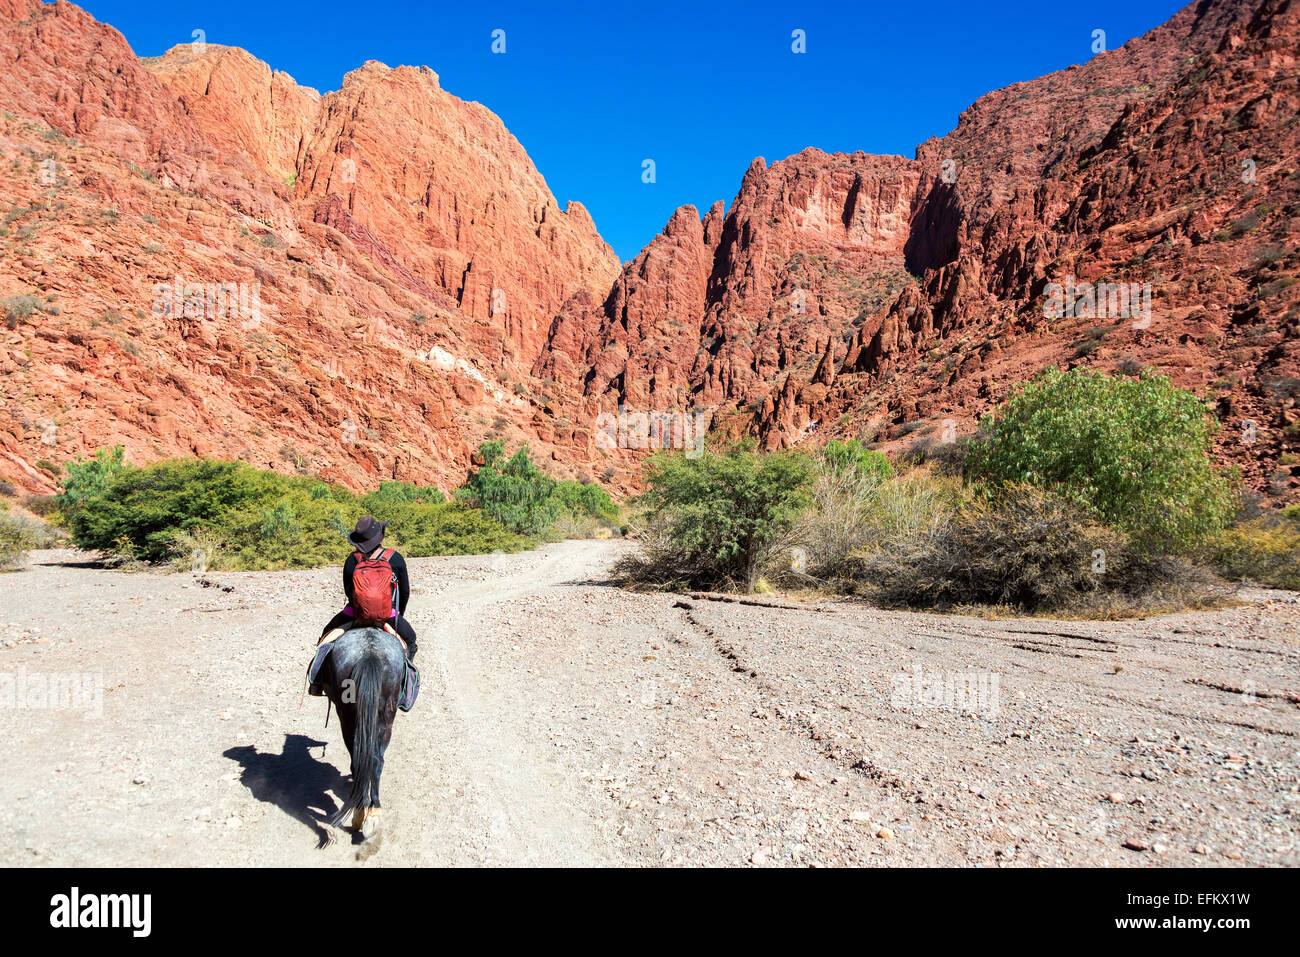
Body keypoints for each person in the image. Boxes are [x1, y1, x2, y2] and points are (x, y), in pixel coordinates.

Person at [320, 516, 418, 661]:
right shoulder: (396, 558)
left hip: (354, 613)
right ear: (380, 539)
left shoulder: (352, 560)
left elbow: (349, 592)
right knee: (411, 640)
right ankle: (408, 680)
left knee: (325, 636)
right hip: (387, 614)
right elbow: (404, 592)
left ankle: (317, 681)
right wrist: (396, 614)